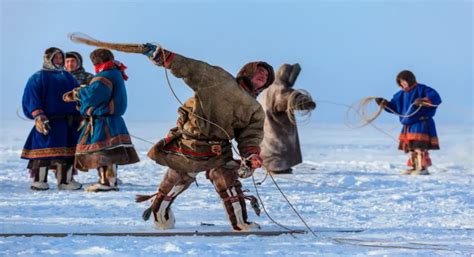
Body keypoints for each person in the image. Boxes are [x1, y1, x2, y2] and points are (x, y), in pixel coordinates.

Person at [136, 43, 275, 231]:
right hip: (190, 141)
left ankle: (241, 224)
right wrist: (164, 57)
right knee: (176, 179)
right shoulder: (220, 79)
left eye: (266, 76)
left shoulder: (255, 110)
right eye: (259, 71)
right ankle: (160, 216)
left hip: (219, 149)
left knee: (228, 182)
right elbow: (192, 68)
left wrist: (251, 155)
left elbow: (250, 136)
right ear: (247, 71)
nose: (262, 76)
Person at [63, 48, 139, 192]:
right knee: (110, 153)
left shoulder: (104, 76)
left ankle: (106, 182)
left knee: (103, 153)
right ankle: (111, 181)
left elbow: (94, 95)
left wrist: (77, 93)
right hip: (113, 120)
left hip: (103, 121)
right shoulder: (115, 72)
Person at [21, 47, 83, 190]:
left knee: (67, 153)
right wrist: (38, 115)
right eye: (56, 58)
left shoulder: (68, 77)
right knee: (43, 152)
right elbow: (31, 97)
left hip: (68, 122)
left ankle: (65, 181)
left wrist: (81, 113)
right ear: (48, 59)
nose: (59, 61)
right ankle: (39, 180)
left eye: (61, 58)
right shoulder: (38, 77)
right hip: (48, 121)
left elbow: (77, 96)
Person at [376, 70, 441, 175]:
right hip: (408, 125)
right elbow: (394, 107)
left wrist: (424, 100)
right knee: (411, 148)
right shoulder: (400, 95)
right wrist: (384, 104)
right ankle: (415, 167)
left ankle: (422, 168)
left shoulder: (423, 89)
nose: (403, 84)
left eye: (404, 81)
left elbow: (435, 98)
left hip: (421, 123)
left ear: (410, 80)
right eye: (401, 82)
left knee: (419, 147)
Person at [259, 63, 316, 174]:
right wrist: (307, 103)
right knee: (278, 151)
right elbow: (290, 99)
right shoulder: (279, 90)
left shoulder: (266, 89)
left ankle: (272, 166)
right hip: (278, 131)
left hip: (267, 130)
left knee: (269, 149)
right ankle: (278, 168)